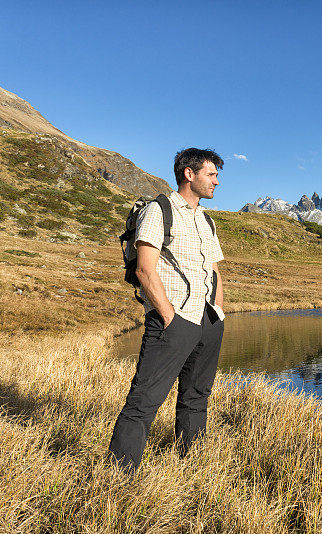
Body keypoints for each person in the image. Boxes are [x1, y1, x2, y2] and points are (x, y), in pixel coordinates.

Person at [109, 148, 226, 472]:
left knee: (197, 397)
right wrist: (168, 316)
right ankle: (118, 478)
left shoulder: (206, 219)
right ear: (189, 174)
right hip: (173, 321)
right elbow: (146, 269)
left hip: (207, 321)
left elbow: (214, 270)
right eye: (211, 174)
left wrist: (217, 311)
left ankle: (193, 465)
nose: (217, 180)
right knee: (144, 401)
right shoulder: (157, 211)